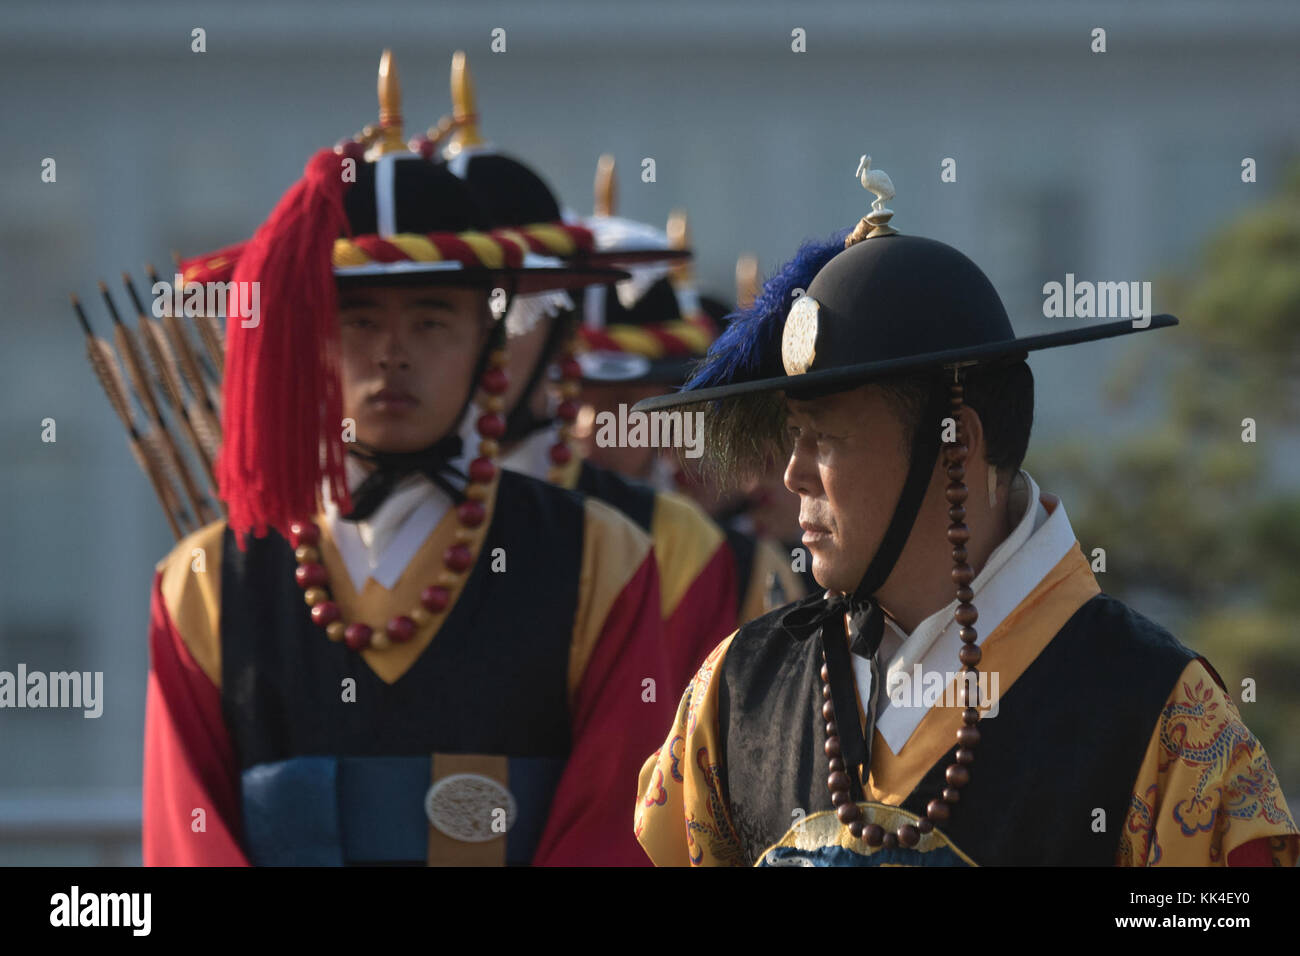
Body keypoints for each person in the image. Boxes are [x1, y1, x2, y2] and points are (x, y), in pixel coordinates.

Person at [633, 155, 1300, 866]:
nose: (794, 475)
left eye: (825, 439)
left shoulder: (1161, 718)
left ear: (956, 445)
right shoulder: (737, 691)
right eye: (793, 438)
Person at [141, 52, 671, 866]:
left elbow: (618, 833)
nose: (392, 356)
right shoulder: (204, 589)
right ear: (310, 344)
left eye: (431, 322)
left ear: (492, 340)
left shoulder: (605, 560)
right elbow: (188, 843)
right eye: (357, 324)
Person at [435, 53, 740, 693]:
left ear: (558, 338)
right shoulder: (311, 536)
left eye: (500, 311)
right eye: (429, 316)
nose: (463, 345)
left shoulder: (673, 546)